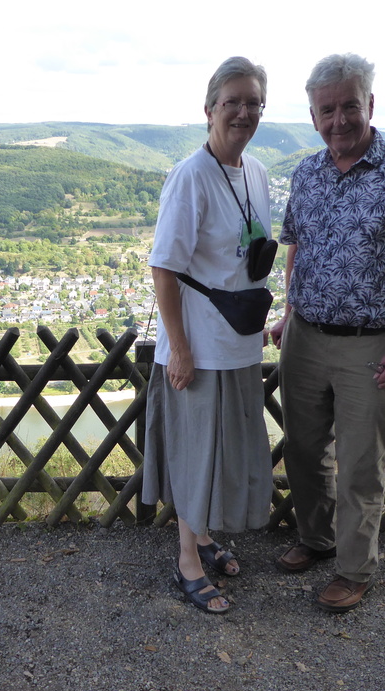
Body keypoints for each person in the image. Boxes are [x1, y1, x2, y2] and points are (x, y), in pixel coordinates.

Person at [269, 53, 385, 613]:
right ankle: (317, 539)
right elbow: (295, 245)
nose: (339, 119)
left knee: (360, 464)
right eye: (328, 110)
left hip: (370, 342)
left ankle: (354, 568)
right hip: (303, 335)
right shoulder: (306, 173)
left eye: (350, 105)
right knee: (302, 450)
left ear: (370, 104)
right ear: (313, 115)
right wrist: (288, 307)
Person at [142, 56, 275, 614]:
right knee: (198, 453)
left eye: (253, 103)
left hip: (238, 342)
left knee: (223, 453)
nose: (243, 112)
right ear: (209, 110)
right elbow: (164, 269)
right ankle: (186, 561)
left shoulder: (257, 173)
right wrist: (181, 348)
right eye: (232, 102)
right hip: (198, 344)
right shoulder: (190, 175)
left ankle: (202, 536)